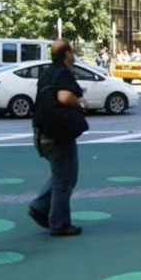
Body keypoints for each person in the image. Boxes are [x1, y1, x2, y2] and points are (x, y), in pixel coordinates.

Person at [28, 39, 85, 236]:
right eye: (72, 50)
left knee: (60, 175)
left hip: (42, 133)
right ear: (67, 53)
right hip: (59, 134)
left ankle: (40, 207)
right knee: (66, 179)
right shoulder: (63, 73)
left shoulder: (46, 73)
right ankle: (59, 223)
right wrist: (78, 103)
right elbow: (64, 97)